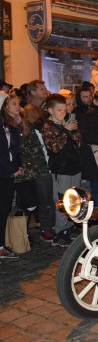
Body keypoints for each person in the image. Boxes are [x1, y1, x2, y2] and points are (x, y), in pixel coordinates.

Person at [8, 95, 56, 244]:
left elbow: (36, 146)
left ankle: (46, 229)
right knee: (27, 203)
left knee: (45, 199)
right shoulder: (7, 126)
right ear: (5, 107)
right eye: (13, 104)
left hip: (39, 167)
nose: (18, 106)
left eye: (18, 103)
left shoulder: (26, 123)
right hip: (21, 171)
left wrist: (43, 167)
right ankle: (21, 232)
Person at [42, 94, 83, 247]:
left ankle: (69, 227)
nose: (63, 113)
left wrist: (74, 131)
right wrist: (65, 131)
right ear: (50, 111)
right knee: (62, 200)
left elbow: (78, 142)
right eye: (59, 110)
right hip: (61, 169)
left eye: (65, 110)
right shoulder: (48, 126)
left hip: (74, 167)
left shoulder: (66, 123)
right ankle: (59, 232)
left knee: (73, 200)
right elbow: (55, 147)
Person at [0, 92, 24, 258]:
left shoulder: (8, 127)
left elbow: (14, 150)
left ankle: (1, 245)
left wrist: (18, 166)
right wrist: (10, 169)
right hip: (3, 172)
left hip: (7, 174)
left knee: (4, 210)